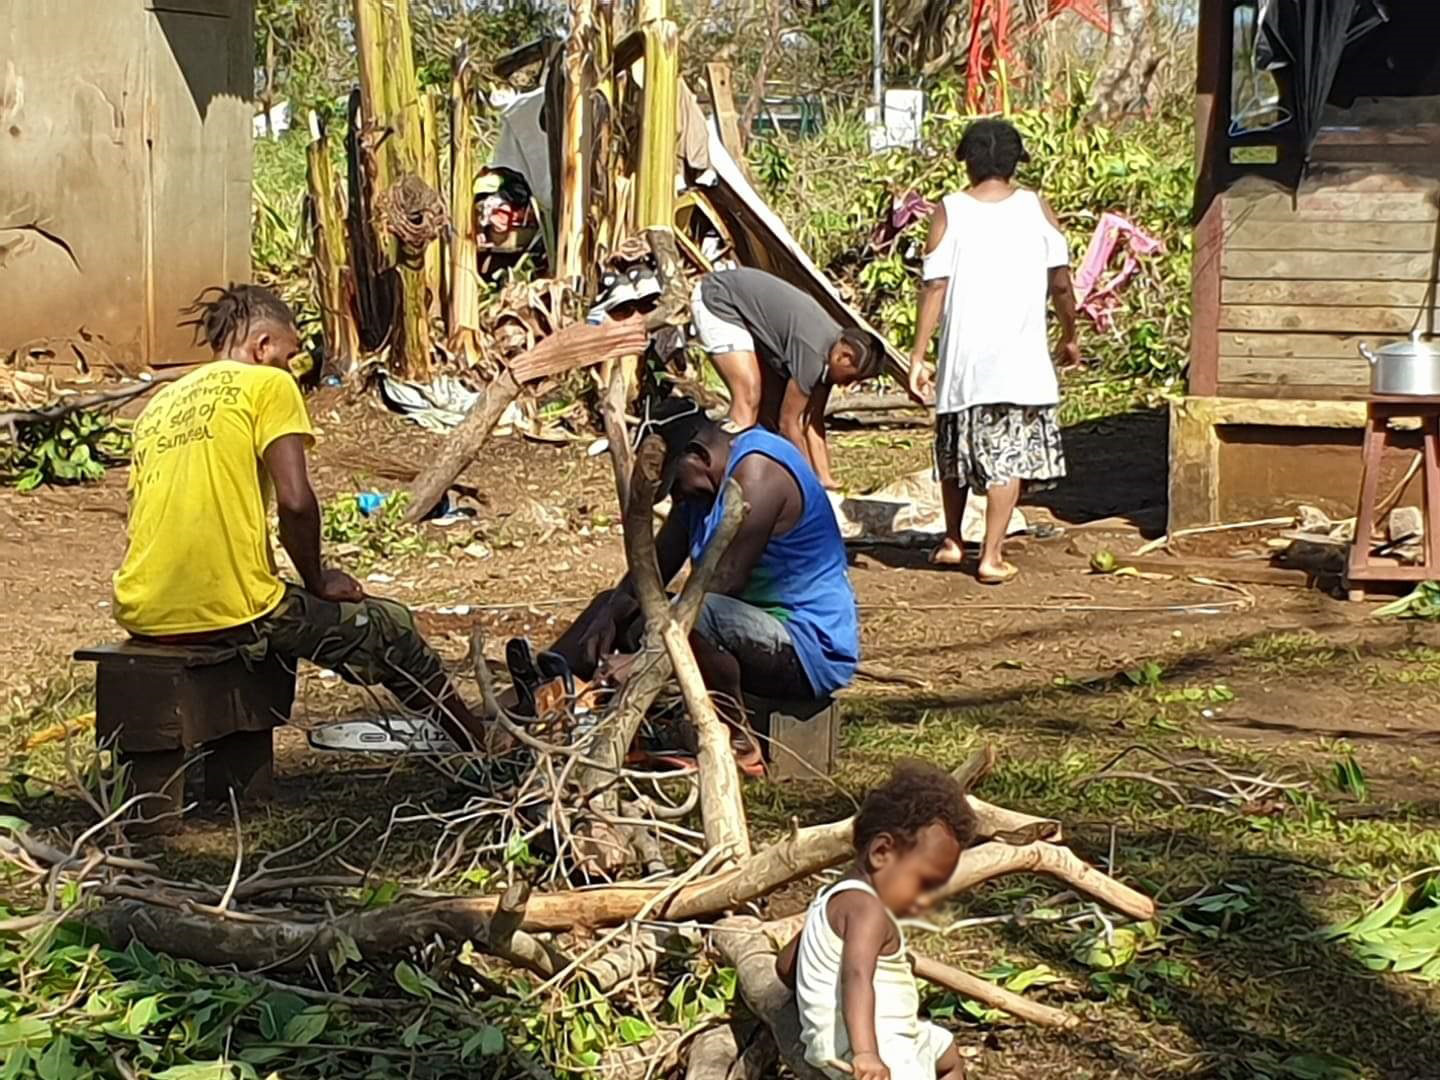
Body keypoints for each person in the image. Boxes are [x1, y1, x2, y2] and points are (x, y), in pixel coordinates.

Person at [112, 284, 493, 751]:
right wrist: (318, 578)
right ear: (263, 346)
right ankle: (481, 747)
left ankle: (230, 759)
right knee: (390, 626)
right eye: (289, 356)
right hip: (229, 609)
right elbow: (296, 501)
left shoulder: (161, 405)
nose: (292, 367)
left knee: (277, 610)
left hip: (141, 609)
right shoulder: (267, 384)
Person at [549, 400, 860, 773]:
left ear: (697, 455)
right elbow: (650, 575)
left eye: (675, 485)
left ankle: (739, 742)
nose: (677, 499)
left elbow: (721, 584)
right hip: (736, 628)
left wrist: (642, 661)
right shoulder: (699, 493)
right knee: (619, 606)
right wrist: (609, 614)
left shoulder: (759, 472)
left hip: (805, 648)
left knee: (697, 615)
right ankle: (543, 693)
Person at [907, 118, 1079, 585]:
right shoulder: (1035, 208)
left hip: (963, 360)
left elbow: (935, 284)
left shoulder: (949, 210)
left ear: (968, 162)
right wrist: (1069, 332)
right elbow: (1060, 281)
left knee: (954, 447)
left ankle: (951, 540)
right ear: (1014, 162)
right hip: (1017, 362)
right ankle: (992, 554)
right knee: (1008, 456)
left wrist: (919, 354)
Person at [776, 761, 976, 1080]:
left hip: (852, 1044)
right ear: (881, 852)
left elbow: (785, 966)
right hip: (877, 1047)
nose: (928, 895)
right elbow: (856, 975)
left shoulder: (831, 900)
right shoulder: (868, 910)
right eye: (924, 880)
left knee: (946, 1051)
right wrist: (867, 1054)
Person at [691, 267, 884, 490]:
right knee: (748, 397)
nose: (848, 385)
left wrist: (826, 480)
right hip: (718, 299)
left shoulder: (831, 351)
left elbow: (813, 420)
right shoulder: (813, 353)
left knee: (767, 412)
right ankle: (717, 477)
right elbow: (789, 423)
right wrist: (810, 482)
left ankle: (756, 475)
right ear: (844, 356)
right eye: (852, 378)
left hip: (742, 309)